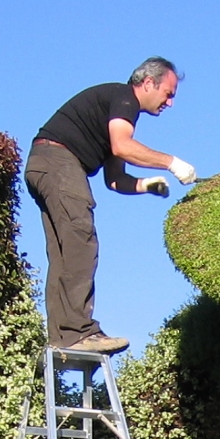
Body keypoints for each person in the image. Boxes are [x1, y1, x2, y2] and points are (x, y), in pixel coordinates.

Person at [25, 56, 197, 355]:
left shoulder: (117, 109)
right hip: (60, 163)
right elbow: (123, 146)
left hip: (44, 163)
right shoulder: (124, 97)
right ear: (147, 83)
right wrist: (172, 162)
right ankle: (79, 332)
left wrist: (146, 185)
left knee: (65, 253)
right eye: (168, 94)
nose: (169, 103)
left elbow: (114, 179)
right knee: (82, 243)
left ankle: (62, 336)